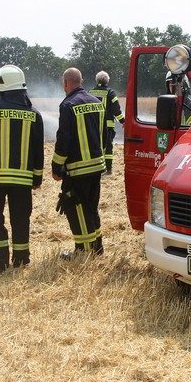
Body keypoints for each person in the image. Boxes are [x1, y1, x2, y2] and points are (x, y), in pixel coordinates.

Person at [0, 65, 45, 271]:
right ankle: (21, 259)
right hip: (22, 179)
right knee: (21, 218)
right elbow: (38, 150)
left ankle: (0, 261)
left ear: (2, 86)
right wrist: (37, 178)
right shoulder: (34, 114)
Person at [53, 67, 106, 256]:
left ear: (66, 83)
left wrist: (56, 166)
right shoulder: (96, 101)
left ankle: (83, 250)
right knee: (92, 207)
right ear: (81, 81)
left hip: (78, 167)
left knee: (76, 207)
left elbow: (64, 139)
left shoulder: (67, 104)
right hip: (97, 164)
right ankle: (97, 247)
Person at [88, 70, 124, 175]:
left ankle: (95, 168)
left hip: (93, 126)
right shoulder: (110, 93)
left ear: (97, 80)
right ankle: (108, 169)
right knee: (108, 148)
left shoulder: (90, 92)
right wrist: (123, 121)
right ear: (107, 81)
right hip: (107, 126)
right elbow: (116, 110)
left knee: (95, 146)